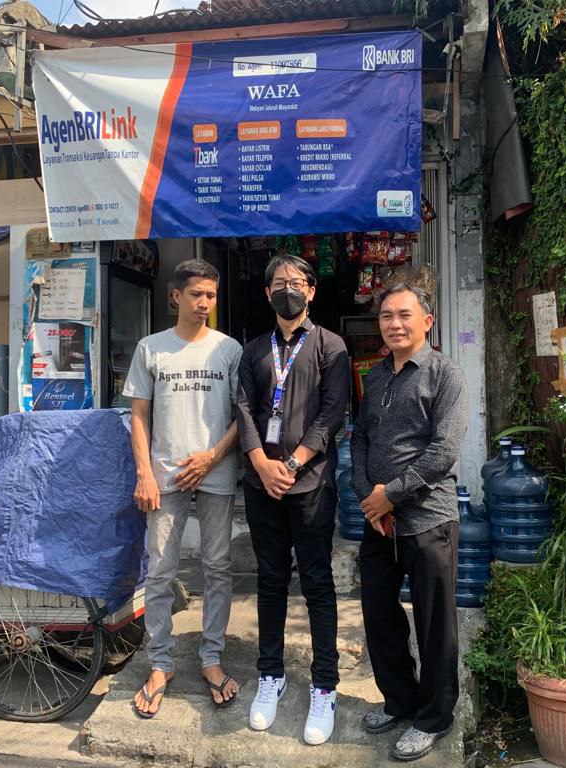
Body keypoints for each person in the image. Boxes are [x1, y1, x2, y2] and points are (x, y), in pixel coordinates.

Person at [351, 281, 469, 762]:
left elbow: (444, 451)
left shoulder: (445, 375)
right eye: (386, 316)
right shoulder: (377, 376)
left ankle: (434, 717)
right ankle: (400, 700)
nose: (395, 324)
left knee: (434, 623)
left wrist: (391, 495)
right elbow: (359, 438)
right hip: (379, 523)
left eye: (404, 315)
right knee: (379, 615)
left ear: (427, 321)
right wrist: (368, 496)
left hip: (429, 519)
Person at [122, 259, 244, 718]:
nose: (204, 303)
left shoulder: (228, 350)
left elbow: (243, 417)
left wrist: (213, 456)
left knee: (218, 568)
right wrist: (145, 473)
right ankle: (160, 664)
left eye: (210, 295)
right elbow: (139, 415)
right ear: (176, 296)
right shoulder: (151, 348)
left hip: (216, 471)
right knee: (159, 571)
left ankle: (211, 658)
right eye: (196, 295)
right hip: (165, 474)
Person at [236, 254, 350, 746]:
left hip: (311, 484)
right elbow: (243, 409)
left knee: (318, 582)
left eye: (297, 282)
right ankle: (271, 674)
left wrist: (295, 462)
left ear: (311, 291)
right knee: (270, 579)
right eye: (280, 283)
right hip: (262, 484)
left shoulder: (330, 346)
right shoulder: (253, 350)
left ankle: (324, 685)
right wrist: (262, 464)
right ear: (267, 294)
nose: (289, 289)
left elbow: (333, 412)